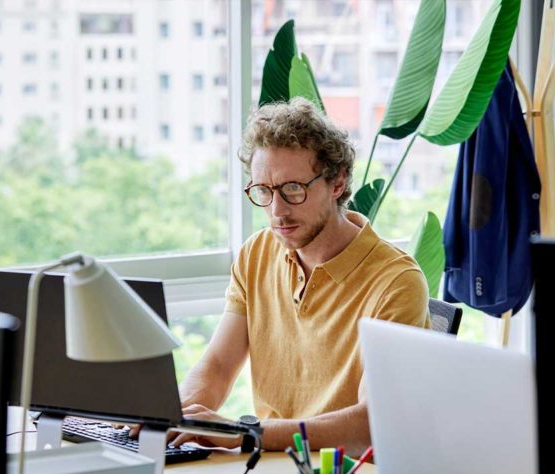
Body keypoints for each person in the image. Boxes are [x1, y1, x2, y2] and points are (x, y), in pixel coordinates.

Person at [170, 97, 430, 456]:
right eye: (264, 191)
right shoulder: (256, 253)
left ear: (337, 182)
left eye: (294, 189)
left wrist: (248, 433)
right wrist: (175, 420)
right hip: (269, 465)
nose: (277, 211)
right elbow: (216, 367)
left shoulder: (395, 282)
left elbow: (372, 422)